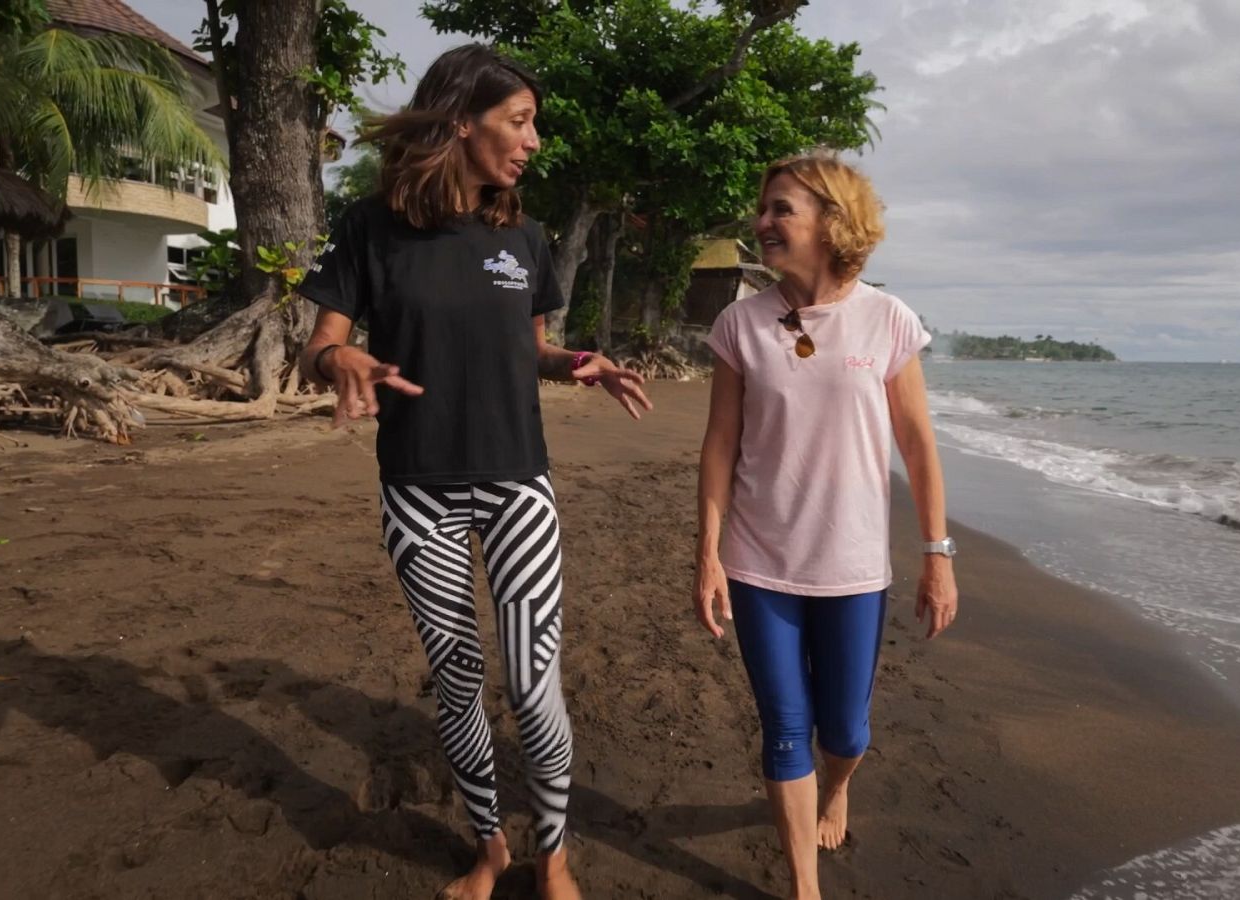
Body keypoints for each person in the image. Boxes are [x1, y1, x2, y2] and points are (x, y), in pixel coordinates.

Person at [296, 44, 650, 900]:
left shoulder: (521, 236)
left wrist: (576, 364)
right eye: (519, 122)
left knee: (532, 685)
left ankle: (554, 853)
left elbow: (530, 352)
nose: (532, 142)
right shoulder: (368, 225)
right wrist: (343, 361)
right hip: (417, 488)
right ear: (463, 121)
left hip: (516, 482)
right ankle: (489, 847)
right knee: (456, 679)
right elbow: (321, 347)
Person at [694, 154, 958, 900]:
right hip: (758, 561)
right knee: (785, 725)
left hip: (852, 567)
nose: (764, 222)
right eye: (764, 209)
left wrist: (937, 555)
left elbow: (917, 445)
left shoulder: (887, 317)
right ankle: (804, 888)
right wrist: (708, 553)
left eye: (782, 210)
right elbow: (719, 443)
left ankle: (837, 787)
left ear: (832, 222)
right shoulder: (739, 323)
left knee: (844, 731)